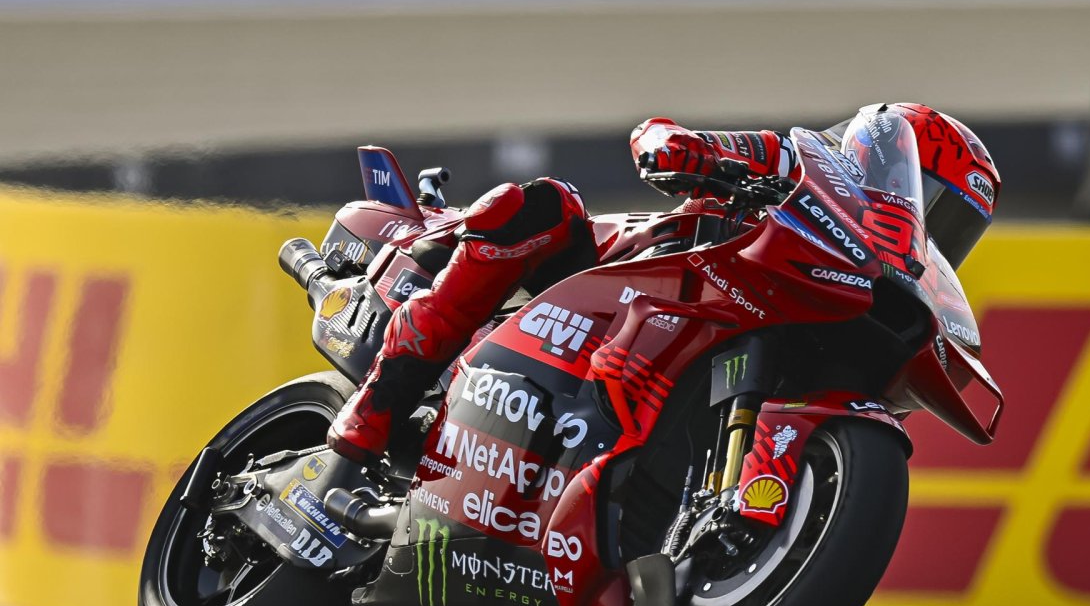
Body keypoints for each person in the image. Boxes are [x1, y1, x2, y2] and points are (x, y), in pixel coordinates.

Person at [326, 103, 1001, 462]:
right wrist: (682, 149)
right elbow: (660, 135)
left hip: (697, 346)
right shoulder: (798, 165)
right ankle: (382, 401)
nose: (925, 224)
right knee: (540, 204)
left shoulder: (871, 281)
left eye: (953, 228)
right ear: (877, 156)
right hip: (609, 276)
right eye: (929, 198)